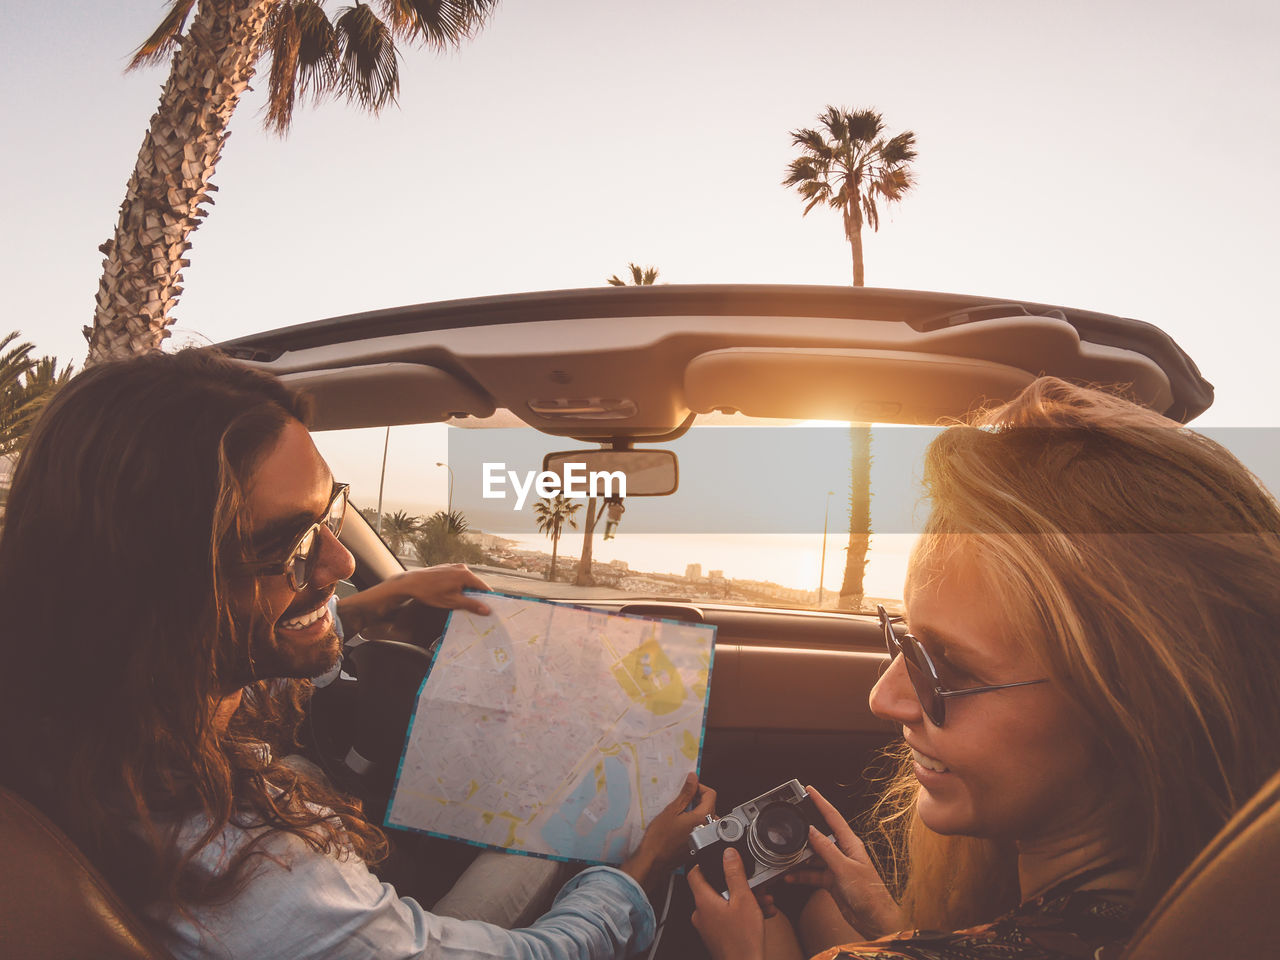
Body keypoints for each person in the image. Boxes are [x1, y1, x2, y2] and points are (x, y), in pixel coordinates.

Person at [0, 348, 715, 959]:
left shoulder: (91, 718)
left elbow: (236, 669)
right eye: (291, 544)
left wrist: (377, 599)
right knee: (538, 835)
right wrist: (636, 872)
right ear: (155, 585)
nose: (341, 562)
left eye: (330, 512)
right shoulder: (261, 879)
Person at [688, 377, 1280, 960]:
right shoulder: (1218, 909)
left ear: (1133, 712)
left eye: (948, 666)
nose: (885, 698)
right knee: (826, 910)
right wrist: (891, 923)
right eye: (903, 638)